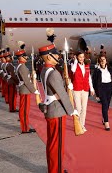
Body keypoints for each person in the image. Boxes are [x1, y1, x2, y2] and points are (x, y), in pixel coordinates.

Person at [38, 43, 79, 173]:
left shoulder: (44, 70)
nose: (57, 56)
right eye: (55, 54)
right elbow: (62, 95)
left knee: (52, 144)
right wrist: (72, 111)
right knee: (57, 146)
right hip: (57, 110)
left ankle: (53, 169)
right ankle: (57, 170)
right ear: (49, 57)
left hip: (51, 109)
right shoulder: (54, 73)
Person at [14, 42, 39, 133]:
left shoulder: (21, 66)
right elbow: (26, 81)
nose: (26, 58)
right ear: (21, 57)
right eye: (25, 57)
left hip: (24, 89)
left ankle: (25, 126)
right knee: (25, 110)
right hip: (25, 90)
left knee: (24, 109)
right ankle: (25, 128)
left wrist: (33, 77)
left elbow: (26, 78)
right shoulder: (23, 67)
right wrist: (34, 90)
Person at [92, 54, 112, 131]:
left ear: (106, 61)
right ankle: (106, 122)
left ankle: (104, 118)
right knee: (104, 104)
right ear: (99, 61)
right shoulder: (97, 70)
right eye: (101, 60)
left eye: (104, 59)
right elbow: (94, 82)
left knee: (107, 105)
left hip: (109, 88)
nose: (102, 61)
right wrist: (95, 92)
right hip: (101, 88)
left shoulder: (110, 69)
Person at [70, 51, 95, 132]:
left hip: (85, 89)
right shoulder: (73, 65)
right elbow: (73, 70)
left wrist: (91, 88)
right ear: (77, 57)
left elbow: (89, 78)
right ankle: (78, 124)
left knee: (84, 108)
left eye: (82, 57)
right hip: (76, 89)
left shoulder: (87, 66)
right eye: (80, 57)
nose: (81, 58)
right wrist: (75, 61)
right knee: (78, 108)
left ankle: (82, 125)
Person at [5, 48, 19, 112]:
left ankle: (12, 107)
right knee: (13, 96)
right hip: (12, 81)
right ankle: (12, 108)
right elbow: (13, 75)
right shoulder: (10, 65)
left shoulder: (9, 65)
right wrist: (17, 81)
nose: (12, 59)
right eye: (11, 57)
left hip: (10, 81)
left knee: (12, 95)